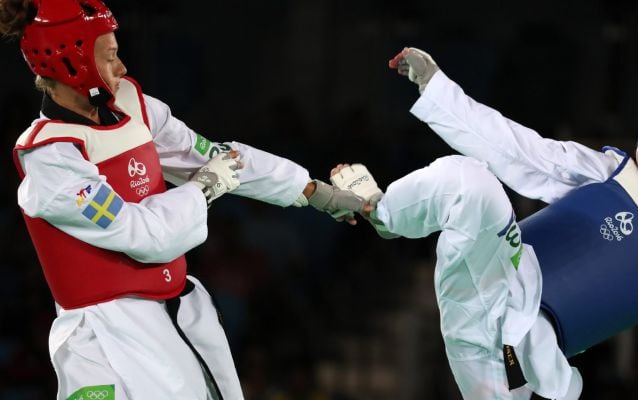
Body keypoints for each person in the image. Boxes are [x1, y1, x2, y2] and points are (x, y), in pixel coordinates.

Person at [329, 47, 638, 399]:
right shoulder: (607, 171)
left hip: (510, 364)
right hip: (487, 285)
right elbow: (519, 150)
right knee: (468, 179)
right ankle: (379, 210)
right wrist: (437, 87)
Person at [1, 0, 366, 399]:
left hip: (175, 312)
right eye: (109, 57)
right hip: (107, 335)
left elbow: (217, 159)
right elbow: (141, 234)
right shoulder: (51, 158)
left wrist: (313, 192)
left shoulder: (133, 107)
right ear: (72, 63)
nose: (121, 68)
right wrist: (203, 189)